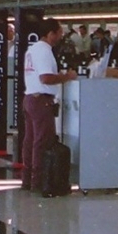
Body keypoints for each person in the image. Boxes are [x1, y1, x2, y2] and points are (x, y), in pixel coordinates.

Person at [21, 17, 76, 192]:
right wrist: (66, 77)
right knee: (42, 141)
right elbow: (45, 78)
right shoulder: (44, 51)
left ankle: (27, 179)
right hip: (41, 101)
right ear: (51, 34)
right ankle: (38, 181)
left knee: (30, 140)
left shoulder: (32, 50)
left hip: (30, 98)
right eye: (59, 32)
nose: (61, 36)